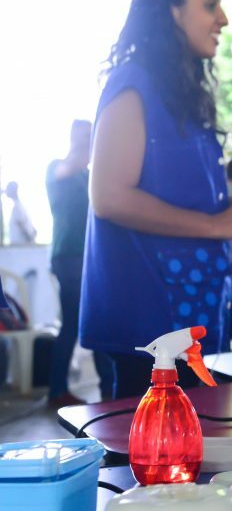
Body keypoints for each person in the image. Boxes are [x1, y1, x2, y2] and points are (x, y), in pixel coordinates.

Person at [80, 0, 232, 398]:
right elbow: (109, 196)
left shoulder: (179, 96)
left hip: (190, 329)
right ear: (171, 9)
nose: (224, 18)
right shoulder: (133, 83)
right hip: (152, 330)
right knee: (155, 458)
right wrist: (217, 224)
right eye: (209, 4)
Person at [46, 119, 114, 406]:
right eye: (83, 134)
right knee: (73, 325)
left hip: (92, 258)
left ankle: (109, 390)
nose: (87, 139)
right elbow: (67, 169)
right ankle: (57, 390)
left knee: (100, 323)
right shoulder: (57, 167)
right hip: (69, 256)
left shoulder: (90, 175)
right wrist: (93, 147)